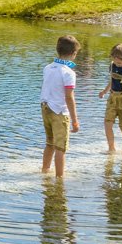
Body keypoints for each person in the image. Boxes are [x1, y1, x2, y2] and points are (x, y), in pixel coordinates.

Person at [41, 35, 83, 179]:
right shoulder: (68, 72)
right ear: (74, 54)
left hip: (45, 108)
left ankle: (45, 170)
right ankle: (60, 178)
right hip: (59, 111)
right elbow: (69, 97)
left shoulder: (48, 67)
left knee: (50, 142)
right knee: (61, 147)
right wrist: (75, 120)